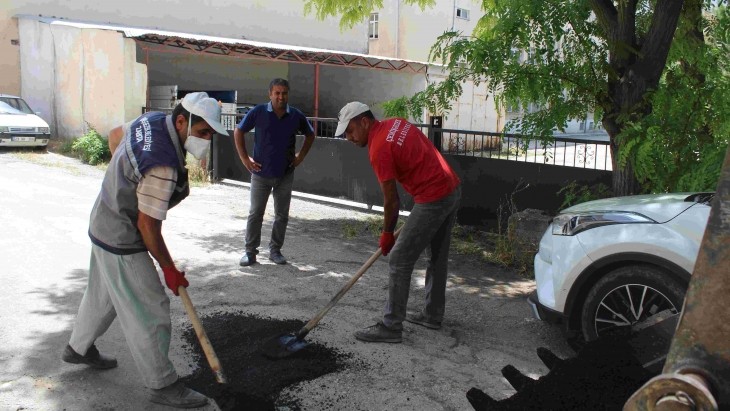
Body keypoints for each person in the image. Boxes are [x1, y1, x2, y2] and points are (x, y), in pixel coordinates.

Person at [61, 92, 229, 408]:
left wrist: (121, 185)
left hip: (102, 220)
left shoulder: (150, 120)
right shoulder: (163, 164)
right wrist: (168, 269)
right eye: (203, 132)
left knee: (102, 295)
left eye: (210, 135)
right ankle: (162, 384)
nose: (207, 140)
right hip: (122, 238)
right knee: (149, 307)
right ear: (182, 121)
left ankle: (78, 348)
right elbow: (148, 227)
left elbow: (115, 137)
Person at [335, 102, 462, 343]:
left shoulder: (378, 148)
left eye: (350, 131)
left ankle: (391, 326)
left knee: (400, 258)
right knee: (436, 256)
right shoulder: (395, 123)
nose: (349, 138)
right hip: (450, 188)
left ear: (364, 121)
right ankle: (432, 315)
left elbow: (391, 200)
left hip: (433, 196)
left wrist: (387, 233)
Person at [234, 78, 315, 266]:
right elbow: (239, 132)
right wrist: (245, 158)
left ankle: (275, 251)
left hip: (285, 174)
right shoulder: (258, 112)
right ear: (270, 94)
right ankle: (250, 252)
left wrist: (300, 156)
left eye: (284, 93)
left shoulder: (295, 115)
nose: (281, 97)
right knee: (255, 214)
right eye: (277, 93)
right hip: (260, 175)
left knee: (282, 216)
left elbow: (310, 134)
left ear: (288, 94)